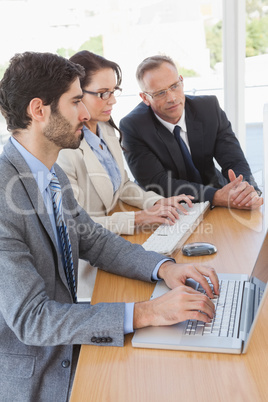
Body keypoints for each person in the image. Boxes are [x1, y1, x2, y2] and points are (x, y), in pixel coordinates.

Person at [0, 51, 219, 402]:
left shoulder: (48, 172)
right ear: (39, 111)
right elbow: (33, 319)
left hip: (71, 344)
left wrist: (165, 268)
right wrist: (148, 311)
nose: (86, 114)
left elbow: (94, 241)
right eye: (75, 102)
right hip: (38, 376)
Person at [57, 50, 194, 236]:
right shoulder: (63, 152)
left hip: (114, 233)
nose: (112, 100)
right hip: (89, 253)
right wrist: (139, 218)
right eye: (103, 94)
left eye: (113, 92)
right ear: (76, 93)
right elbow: (76, 225)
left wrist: (155, 202)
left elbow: (122, 185)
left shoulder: (105, 128)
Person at [120, 55, 263, 210]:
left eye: (174, 86)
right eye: (160, 93)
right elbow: (158, 182)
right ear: (145, 98)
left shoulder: (209, 108)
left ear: (181, 80)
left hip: (216, 191)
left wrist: (247, 191)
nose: (172, 98)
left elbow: (234, 160)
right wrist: (216, 196)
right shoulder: (132, 126)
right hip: (169, 205)